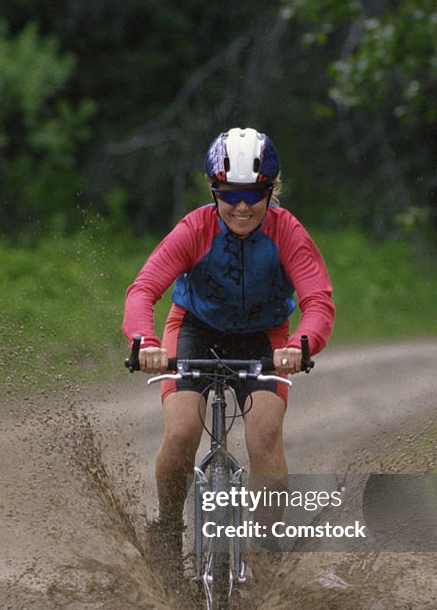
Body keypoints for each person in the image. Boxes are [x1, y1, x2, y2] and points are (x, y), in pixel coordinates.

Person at [122, 126, 335, 577]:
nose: (241, 207)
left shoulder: (287, 231)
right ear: (213, 190)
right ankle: (166, 529)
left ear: (271, 190)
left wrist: (301, 344)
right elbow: (144, 290)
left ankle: (265, 548)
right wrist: (145, 341)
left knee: (265, 431)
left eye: (254, 195)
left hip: (265, 336)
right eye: (229, 194)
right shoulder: (194, 229)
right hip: (196, 328)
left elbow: (318, 300)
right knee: (181, 431)